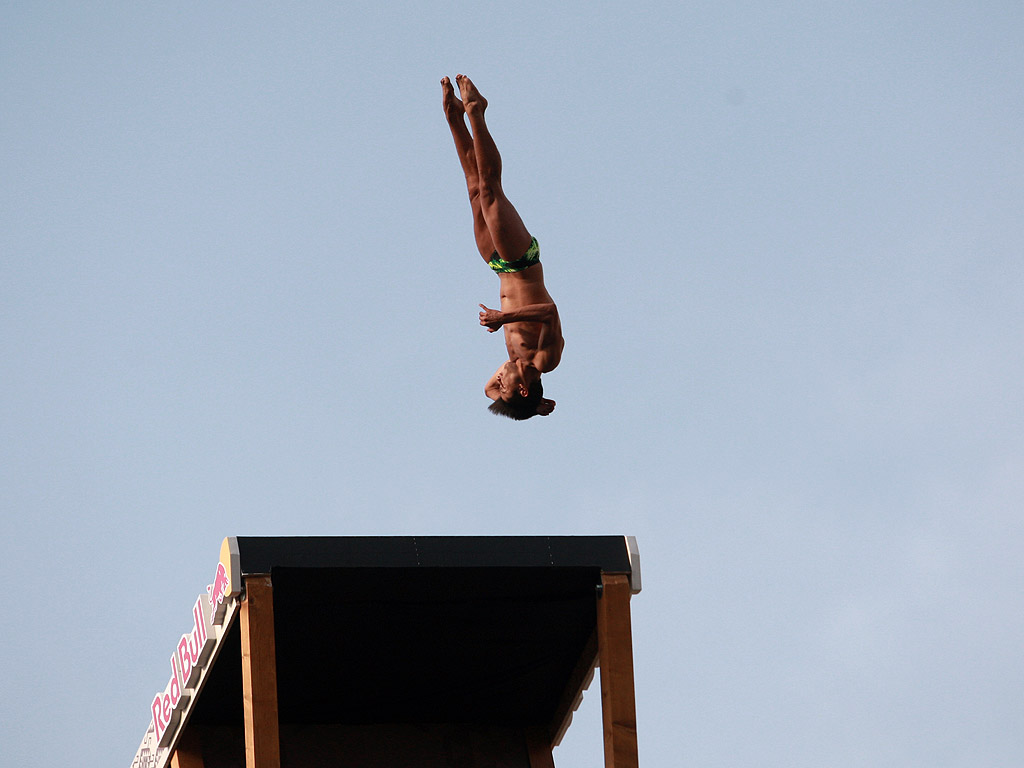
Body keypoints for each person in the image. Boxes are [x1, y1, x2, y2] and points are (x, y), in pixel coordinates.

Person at [441, 74, 564, 420]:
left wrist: (536, 407)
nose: (498, 377)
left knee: (475, 189)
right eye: (505, 383)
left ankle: (454, 119)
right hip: (522, 262)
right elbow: (549, 312)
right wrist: (502, 317)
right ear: (523, 388)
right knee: (491, 189)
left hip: (496, 263)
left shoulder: (512, 365)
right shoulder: (545, 360)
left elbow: (490, 391)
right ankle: (477, 111)